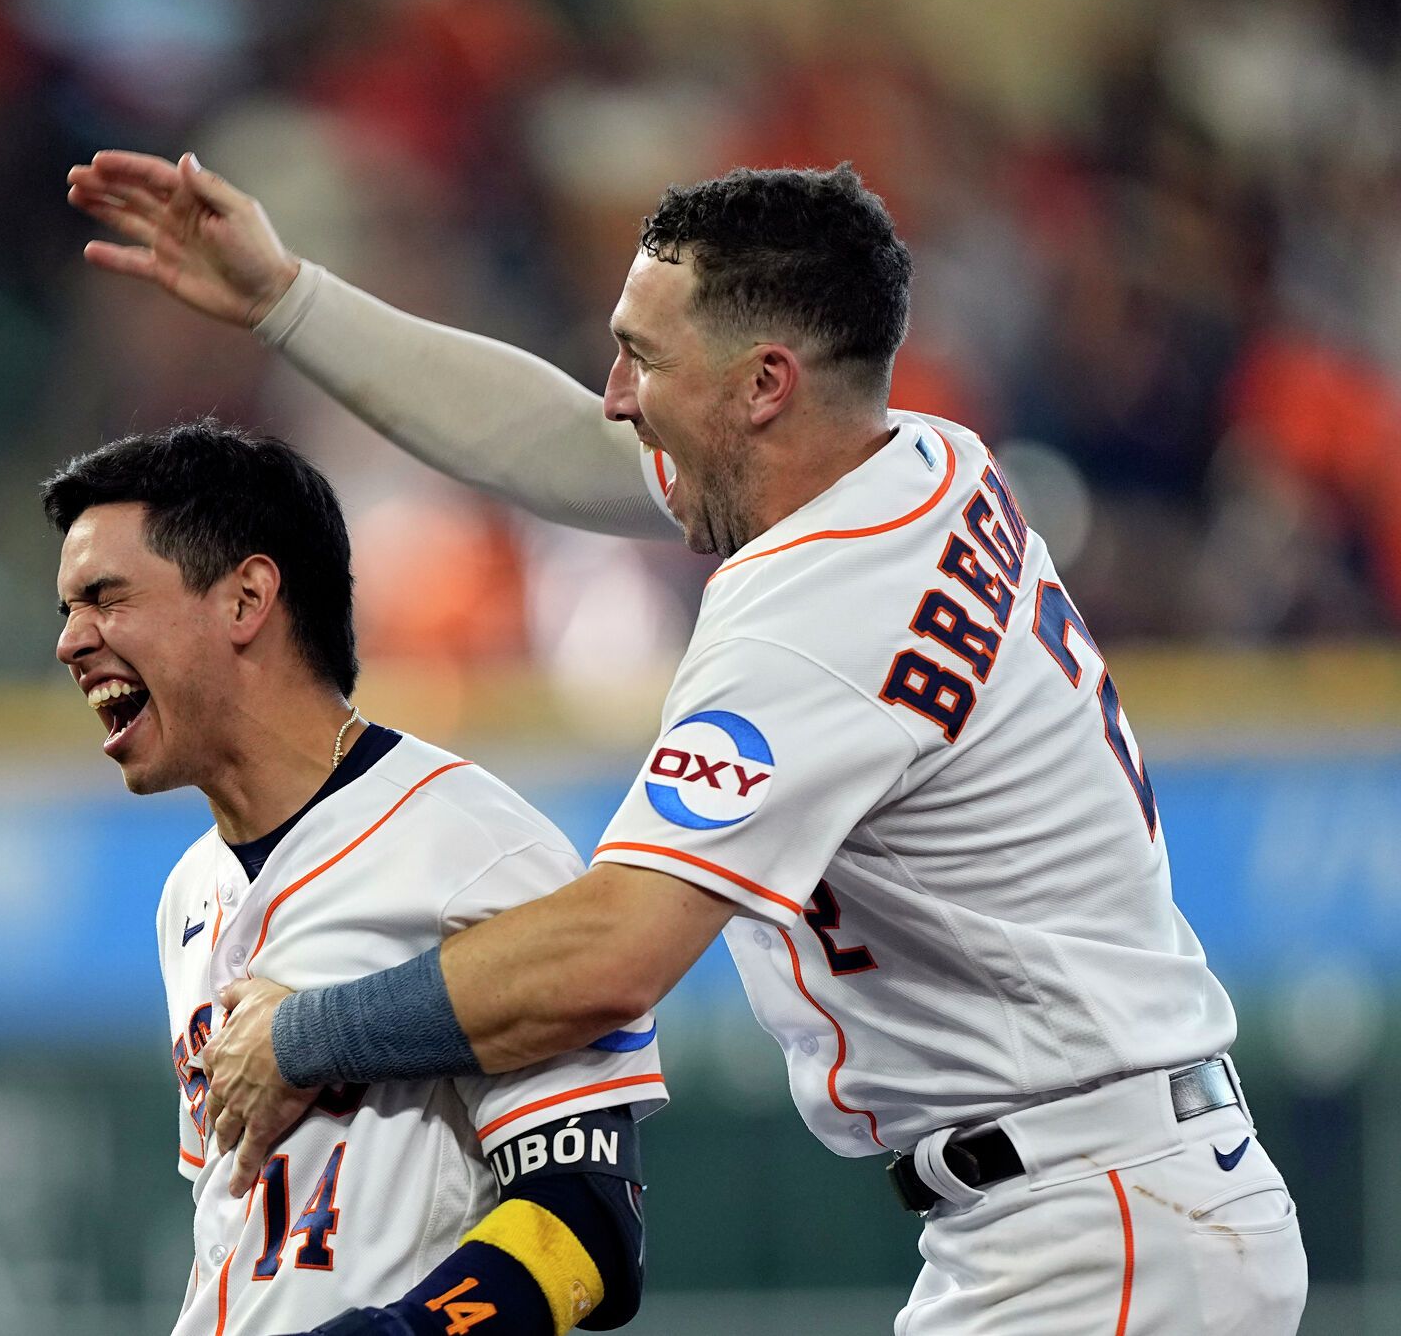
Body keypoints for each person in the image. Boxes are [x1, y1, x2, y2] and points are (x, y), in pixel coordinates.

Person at [66, 152, 1310, 1333]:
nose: (614, 395)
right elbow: (556, 443)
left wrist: (304, 1032)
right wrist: (290, 301)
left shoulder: (814, 617)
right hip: (1106, 1200)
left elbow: (611, 954)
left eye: (639, 359)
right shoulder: (909, 458)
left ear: (762, 383)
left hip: (1097, 1221)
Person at [47, 421, 667, 1336]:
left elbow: (589, 1226)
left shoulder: (471, 845)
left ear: (247, 598)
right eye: (67, 607)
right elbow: (244, 1235)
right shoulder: (189, 892)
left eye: (105, 598)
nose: (71, 641)